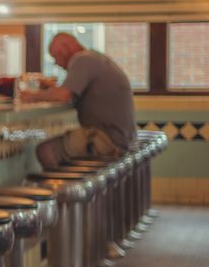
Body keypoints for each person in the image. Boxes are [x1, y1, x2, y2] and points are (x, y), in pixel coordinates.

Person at [22, 32, 136, 168]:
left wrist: (30, 96)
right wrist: (49, 91)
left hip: (108, 140)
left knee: (45, 150)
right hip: (122, 138)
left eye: (55, 57)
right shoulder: (94, 58)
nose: (56, 63)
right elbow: (66, 93)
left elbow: (63, 95)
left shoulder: (82, 59)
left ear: (65, 49)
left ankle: (66, 189)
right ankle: (76, 187)